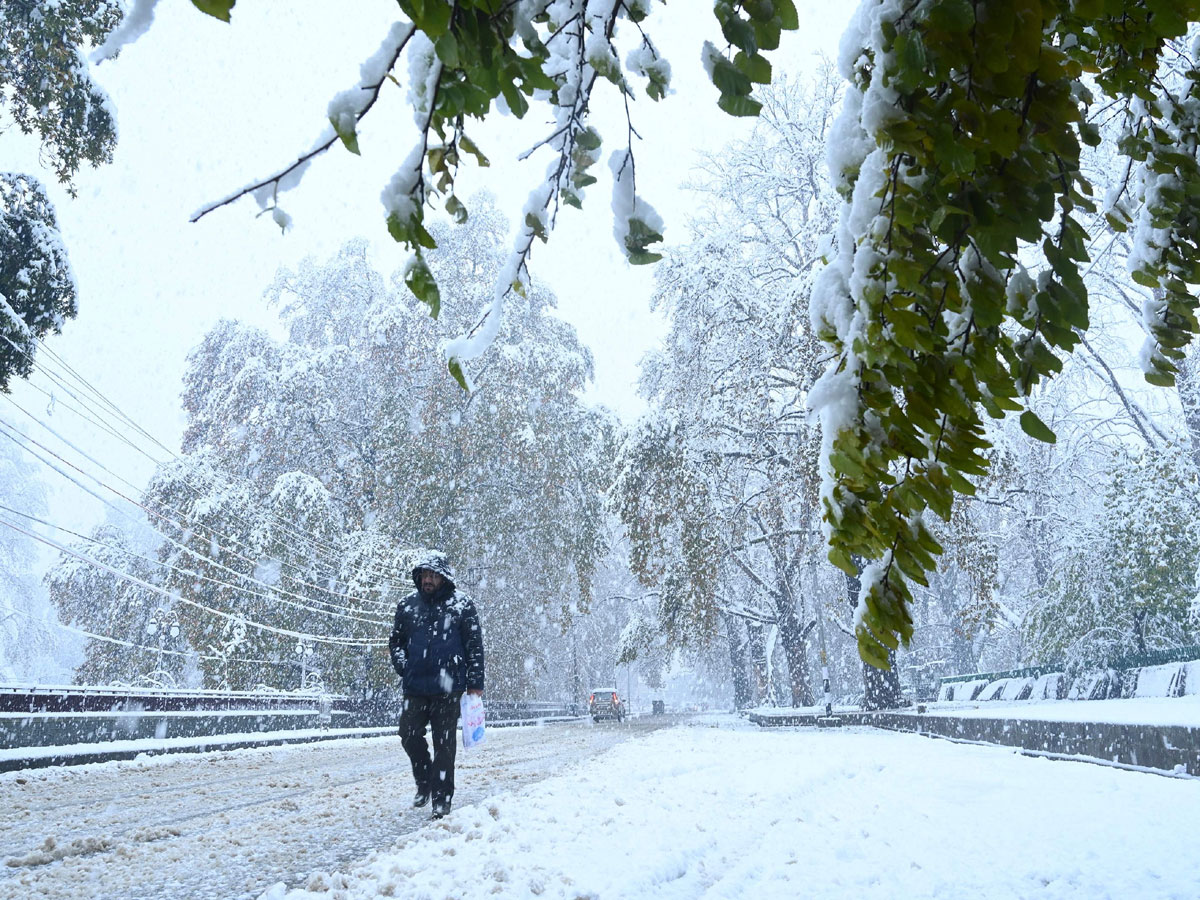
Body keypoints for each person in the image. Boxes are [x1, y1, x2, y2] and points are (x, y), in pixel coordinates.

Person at [388, 550, 484, 819]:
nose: (427, 580)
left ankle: (442, 801)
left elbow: (474, 646)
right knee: (408, 734)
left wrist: (475, 682)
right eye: (424, 575)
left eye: (433, 575)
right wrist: (404, 666)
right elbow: (396, 641)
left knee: (444, 744)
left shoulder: (462, 605)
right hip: (415, 686)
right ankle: (425, 781)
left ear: (443, 578)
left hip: (448, 687)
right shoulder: (407, 605)